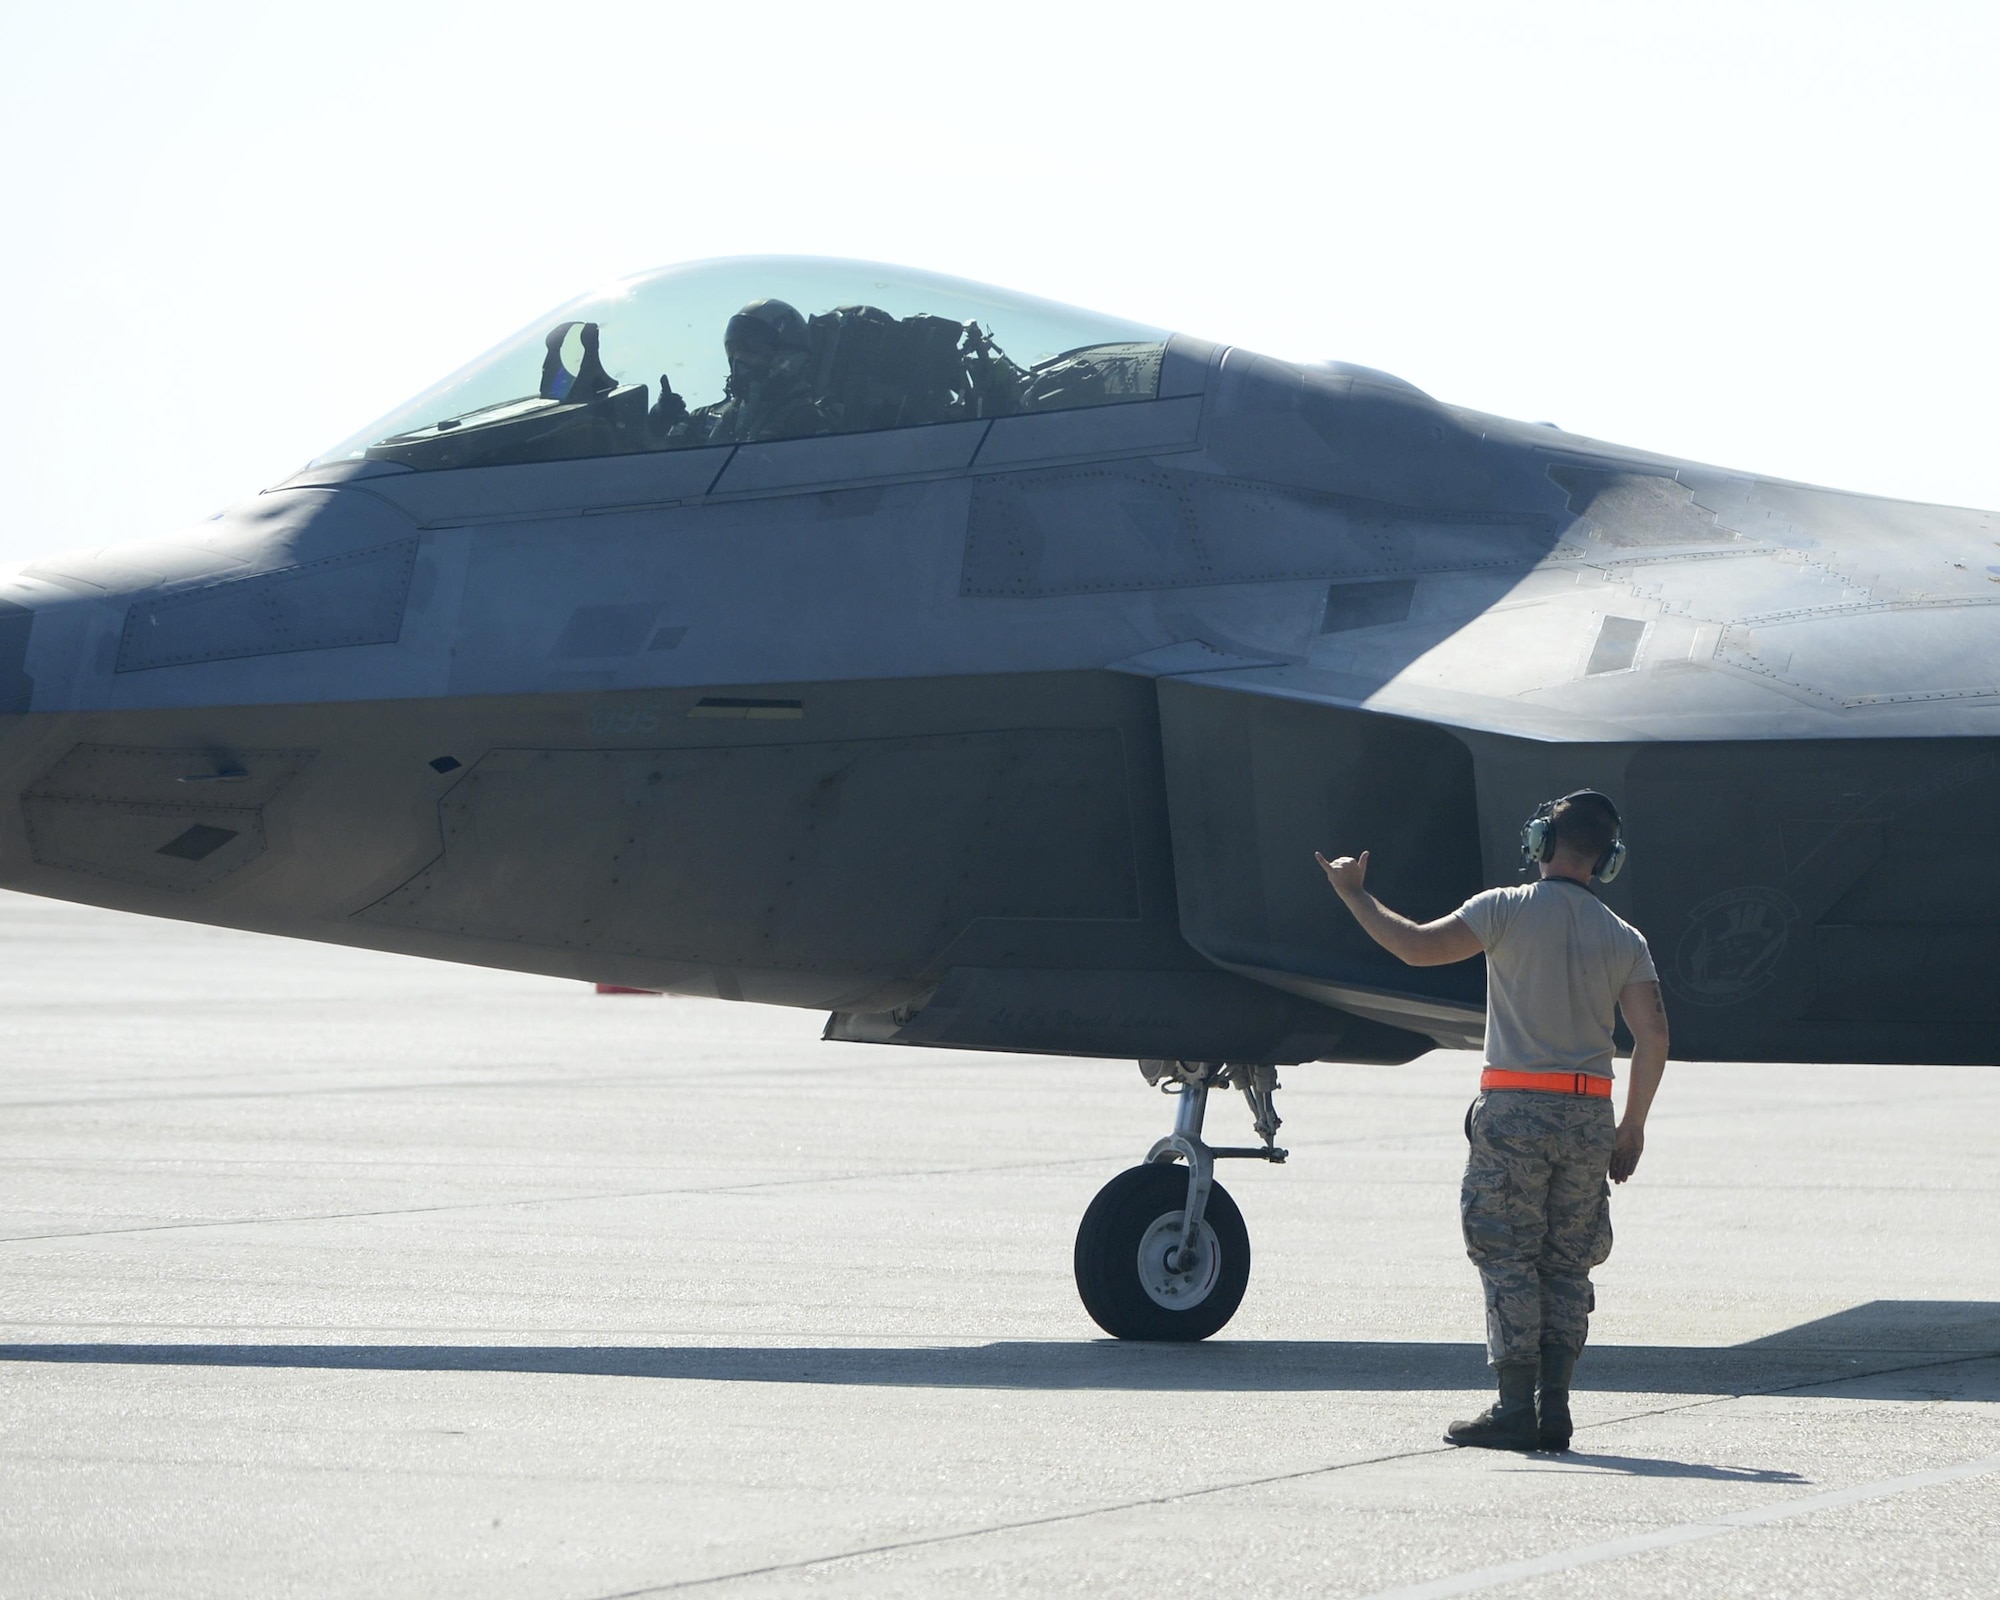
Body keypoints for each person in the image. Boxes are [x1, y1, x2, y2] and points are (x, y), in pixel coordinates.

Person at [1314, 790, 1668, 1452]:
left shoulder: (1504, 909)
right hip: (1591, 1115)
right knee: (1567, 1264)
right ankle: (1554, 1406)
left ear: (1540, 842)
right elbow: (1653, 1037)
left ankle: (1513, 1407)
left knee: (1507, 1255)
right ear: (1607, 860)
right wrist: (1633, 1127)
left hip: (1515, 1113)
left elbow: (1415, 948)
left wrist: (1354, 895)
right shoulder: (1625, 939)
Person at [651, 298, 827, 447]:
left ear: (787, 357)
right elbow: (662, 463)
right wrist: (661, 419)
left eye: (751, 349)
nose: (739, 358)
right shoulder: (712, 417)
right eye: (734, 350)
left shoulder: (806, 421)